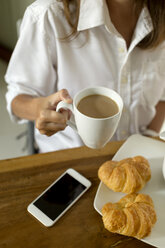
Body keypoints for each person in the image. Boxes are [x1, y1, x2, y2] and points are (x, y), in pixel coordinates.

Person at [5, 0, 165, 153]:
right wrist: (40, 108)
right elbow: (17, 98)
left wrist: (149, 137)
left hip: (137, 155)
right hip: (67, 161)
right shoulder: (48, 13)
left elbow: (161, 98)